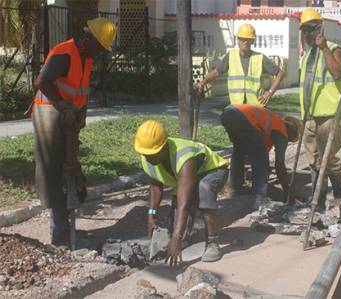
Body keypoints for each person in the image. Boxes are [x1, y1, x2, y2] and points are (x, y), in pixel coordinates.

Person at [32, 17, 116, 246]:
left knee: (70, 168)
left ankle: (66, 229)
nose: (100, 53)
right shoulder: (65, 52)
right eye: (99, 47)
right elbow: (42, 81)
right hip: (49, 112)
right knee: (54, 171)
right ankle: (59, 235)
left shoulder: (85, 58)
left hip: (69, 116)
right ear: (88, 39)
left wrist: (79, 115)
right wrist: (62, 105)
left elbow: (79, 91)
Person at [134, 120, 229, 265]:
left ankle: (212, 242)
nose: (148, 158)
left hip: (213, 171)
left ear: (164, 146)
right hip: (189, 178)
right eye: (145, 154)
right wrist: (151, 215)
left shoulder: (184, 157)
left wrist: (176, 238)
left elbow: (183, 202)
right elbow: (155, 185)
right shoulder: (148, 156)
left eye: (153, 154)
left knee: (203, 191)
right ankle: (183, 237)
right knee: (177, 224)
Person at [299, 8, 341, 211]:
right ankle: (317, 204)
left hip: (330, 116)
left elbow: (337, 72)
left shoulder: (334, 49)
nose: (308, 34)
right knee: (314, 162)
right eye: (305, 30)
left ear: (320, 28)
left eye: (311, 29)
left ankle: (339, 197)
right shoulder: (308, 55)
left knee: (328, 160)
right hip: (310, 117)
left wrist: (325, 47)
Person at [220, 104, 300, 206]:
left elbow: (251, 149)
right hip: (242, 117)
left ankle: (235, 191)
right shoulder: (282, 132)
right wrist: (287, 191)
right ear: (292, 133)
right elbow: (279, 165)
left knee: (238, 151)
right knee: (261, 157)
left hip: (227, 113)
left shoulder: (273, 122)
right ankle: (259, 197)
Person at [195, 23, 285, 105]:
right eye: (242, 38)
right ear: (237, 39)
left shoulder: (260, 58)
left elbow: (280, 73)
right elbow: (216, 72)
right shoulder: (231, 56)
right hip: (237, 107)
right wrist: (202, 83)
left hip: (255, 107)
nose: (245, 41)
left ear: (252, 41)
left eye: (248, 39)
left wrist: (270, 92)